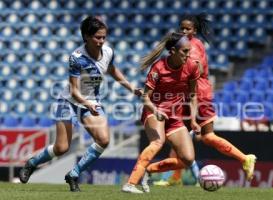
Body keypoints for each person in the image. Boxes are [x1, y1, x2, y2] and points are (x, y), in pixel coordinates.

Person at [19, 16, 142, 192]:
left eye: (103, 37)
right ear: (86, 36)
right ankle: (32, 163)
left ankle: (74, 174)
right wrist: (88, 104)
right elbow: (74, 90)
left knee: (104, 140)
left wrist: (131, 88)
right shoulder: (76, 58)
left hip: (90, 102)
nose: (101, 41)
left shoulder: (108, 52)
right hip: (68, 101)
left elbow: (113, 70)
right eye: (97, 37)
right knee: (62, 147)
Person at [155, 14, 257, 187]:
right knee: (179, 134)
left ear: (194, 31)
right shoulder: (189, 45)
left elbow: (196, 67)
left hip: (198, 95)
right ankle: (175, 177)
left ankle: (245, 158)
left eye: (188, 28)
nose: (184, 31)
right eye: (182, 28)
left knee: (208, 136)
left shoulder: (193, 46)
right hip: (191, 95)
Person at [121, 32, 201, 193]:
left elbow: (193, 95)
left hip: (174, 116)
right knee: (157, 142)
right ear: (172, 51)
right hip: (153, 110)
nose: (188, 54)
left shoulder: (192, 67)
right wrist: (155, 110)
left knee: (187, 159)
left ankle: (150, 170)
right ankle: (130, 183)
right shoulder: (158, 68)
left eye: (189, 50)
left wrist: (193, 120)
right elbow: (145, 98)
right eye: (184, 51)